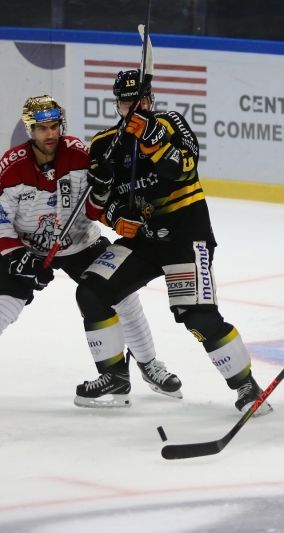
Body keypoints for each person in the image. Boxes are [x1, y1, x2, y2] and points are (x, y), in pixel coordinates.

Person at [75, 70, 269, 416]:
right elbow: (100, 205)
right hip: (145, 241)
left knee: (197, 315)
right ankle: (115, 378)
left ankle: (247, 388)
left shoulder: (170, 123)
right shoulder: (105, 144)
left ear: (151, 99)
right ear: (117, 105)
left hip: (185, 236)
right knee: (91, 290)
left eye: (142, 101)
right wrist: (113, 211)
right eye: (127, 103)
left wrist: (152, 138)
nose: (136, 108)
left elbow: (184, 167)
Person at [0, 95, 181, 407]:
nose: (50, 134)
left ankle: (149, 364)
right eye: (42, 128)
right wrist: (16, 257)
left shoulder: (80, 155)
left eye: (54, 126)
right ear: (30, 130)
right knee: (4, 304)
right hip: (29, 249)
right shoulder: (12, 167)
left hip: (83, 241)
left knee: (122, 295)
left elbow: (96, 209)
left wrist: (100, 189)